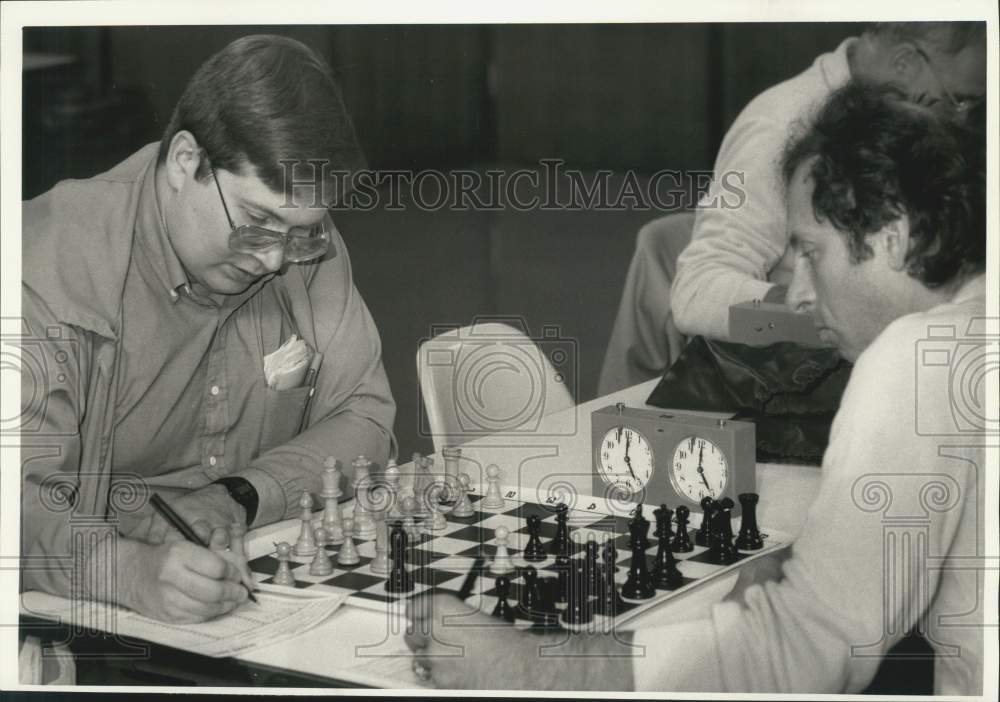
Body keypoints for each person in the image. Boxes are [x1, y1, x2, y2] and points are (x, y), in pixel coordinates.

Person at [405, 81, 987, 694]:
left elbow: (805, 651)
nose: (795, 294)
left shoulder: (916, 360)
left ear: (891, 237)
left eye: (811, 253)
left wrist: (534, 665)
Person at [20, 35, 396, 623]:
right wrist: (125, 571)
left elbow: (366, 416)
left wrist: (239, 496)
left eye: (302, 231)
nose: (274, 261)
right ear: (185, 161)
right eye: (257, 222)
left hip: (245, 584)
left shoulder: (302, 248)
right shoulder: (43, 265)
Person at [597, 22, 986, 395]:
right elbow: (698, 293)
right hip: (805, 365)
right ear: (904, 63)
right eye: (961, 99)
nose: (963, 117)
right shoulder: (783, 127)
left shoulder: (894, 116)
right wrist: (822, 307)